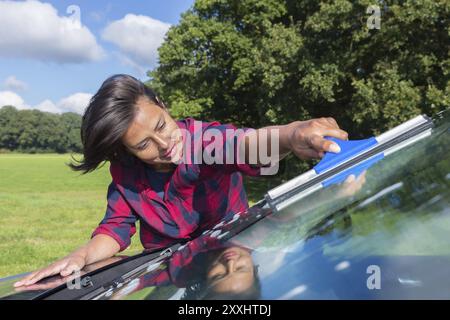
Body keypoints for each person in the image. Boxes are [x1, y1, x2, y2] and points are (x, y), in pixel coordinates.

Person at [14, 74, 348, 288]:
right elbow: (114, 230)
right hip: (173, 276)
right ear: (124, 151)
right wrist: (82, 256)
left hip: (226, 253)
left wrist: (292, 134)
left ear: (162, 105)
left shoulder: (205, 143)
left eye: (161, 125)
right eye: (143, 144)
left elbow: (246, 145)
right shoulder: (126, 176)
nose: (164, 145)